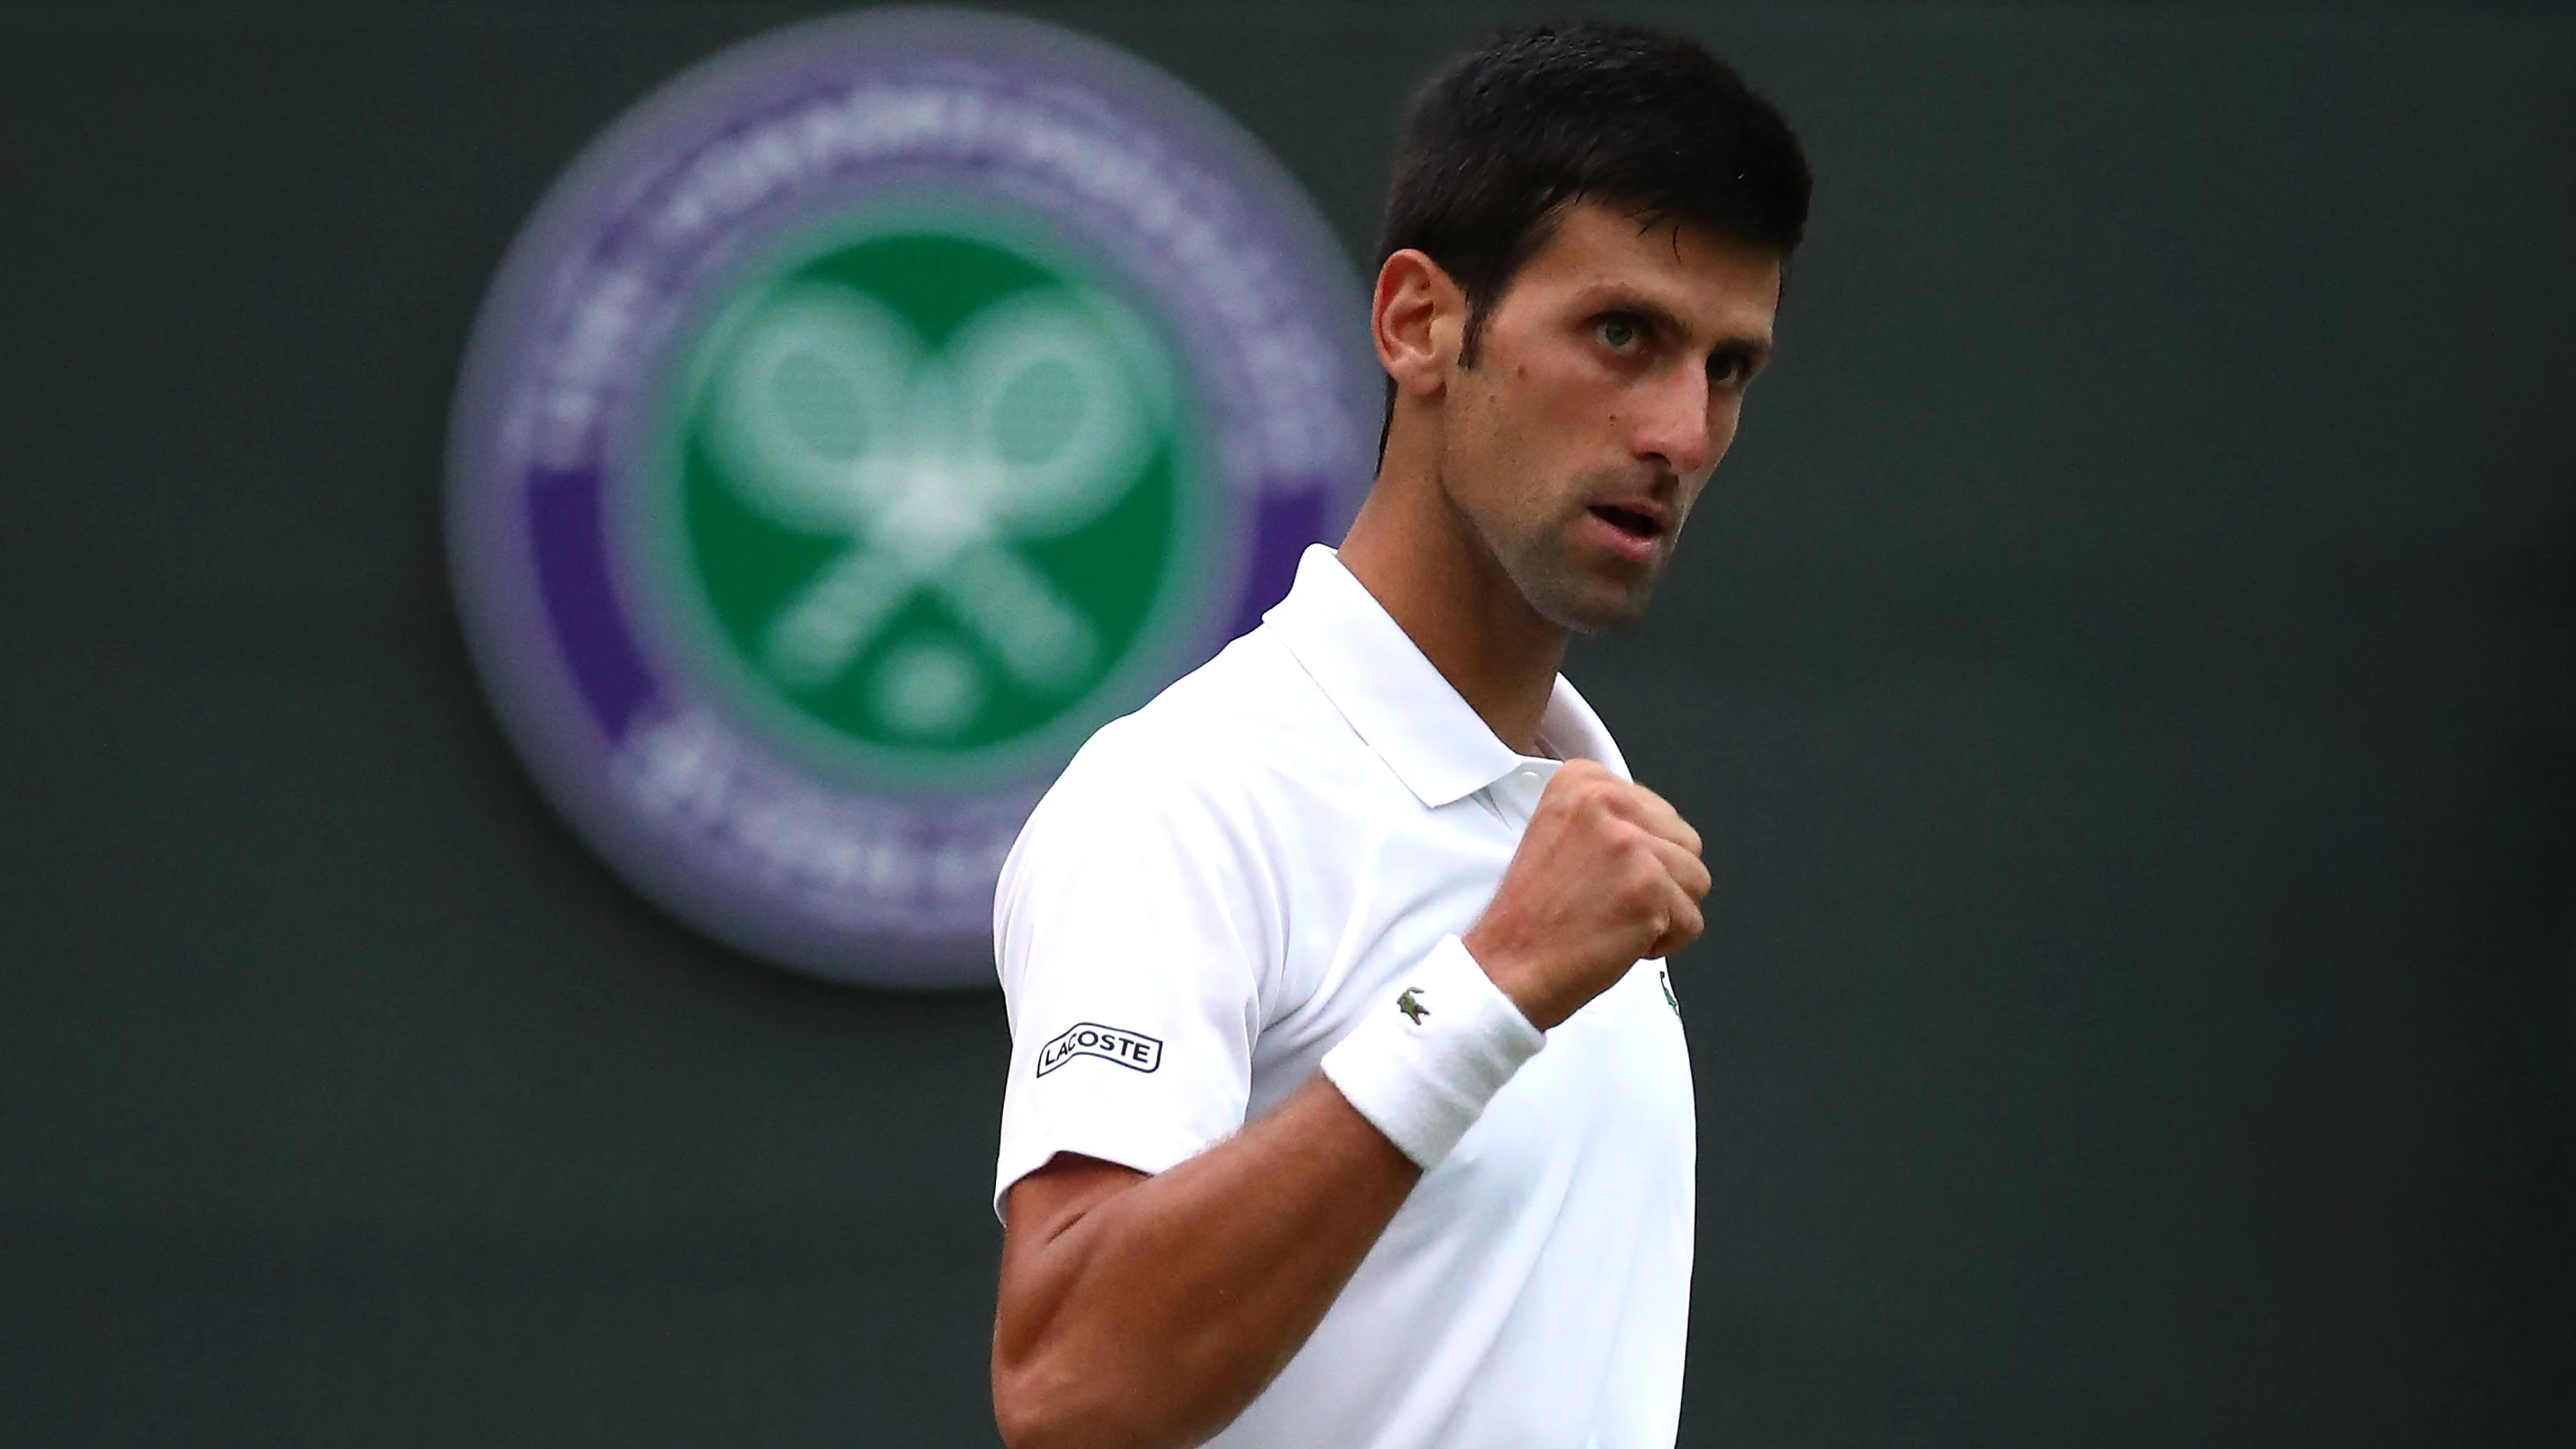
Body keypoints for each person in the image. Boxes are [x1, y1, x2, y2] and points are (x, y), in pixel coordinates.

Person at [987, 22, 1810, 1449]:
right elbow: (1067, 1386)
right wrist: (1486, 989)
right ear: (1421, 323)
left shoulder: (1578, 820)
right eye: (1623, 334)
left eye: (1728, 368)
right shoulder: (1183, 797)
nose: (1680, 428)